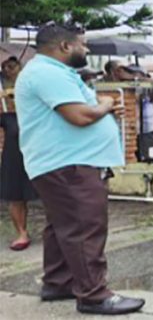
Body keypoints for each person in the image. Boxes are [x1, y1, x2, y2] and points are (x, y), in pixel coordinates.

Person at [15, 22, 144, 314]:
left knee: (63, 226)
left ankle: (58, 282)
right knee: (84, 226)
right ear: (64, 46)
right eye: (81, 44)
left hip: (65, 163)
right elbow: (79, 116)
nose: (85, 49)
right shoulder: (47, 73)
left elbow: (83, 108)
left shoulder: (52, 72)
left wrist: (101, 107)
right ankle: (94, 295)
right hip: (68, 164)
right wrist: (105, 104)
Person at [1, 56, 38, 251]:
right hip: (13, 151)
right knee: (15, 194)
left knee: (48, 191)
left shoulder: (32, 81)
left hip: (38, 149)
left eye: (12, 66)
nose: (8, 70)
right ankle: (21, 232)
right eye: (4, 67)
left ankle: (58, 230)